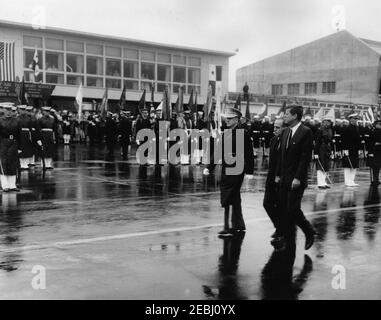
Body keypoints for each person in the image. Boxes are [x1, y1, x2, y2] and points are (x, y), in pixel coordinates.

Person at [204, 107, 254, 236]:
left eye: (230, 118)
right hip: (227, 169)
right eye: (227, 118)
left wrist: (249, 172)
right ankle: (238, 225)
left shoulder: (243, 133)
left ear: (237, 119)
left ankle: (229, 227)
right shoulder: (226, 133)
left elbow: (249, 154)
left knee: (228, 196)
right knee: (234, 197)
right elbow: (218, 152)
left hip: (236, 170)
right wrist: (209, 167)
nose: (227, 120)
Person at [275, 105, 316, 250]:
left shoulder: (306, 132)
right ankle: (287, 239)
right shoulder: (286, 131)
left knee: (293, 209)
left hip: (296, 179)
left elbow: (305, 157)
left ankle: (309, 231)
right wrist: (278, 174)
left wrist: (298, 178)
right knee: (283, 209)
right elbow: (282, 156)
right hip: (284, 178)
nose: (284, 116)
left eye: (286, 114)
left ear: (295, 116)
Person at [263, 117, 285, 246]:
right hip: (271, 176)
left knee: (280, 205)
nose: (274, 130)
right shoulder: (274, 140)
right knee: (267, 203)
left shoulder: (285, 141)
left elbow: (284, 162)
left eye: (278, 127)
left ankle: (282, 231)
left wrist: (279, 175)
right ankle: (279, 227)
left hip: (280, 177)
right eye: (274, 127)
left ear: (284, 128)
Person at [0, 105, 21, 192]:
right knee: (4, 164)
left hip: (14, 143)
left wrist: (19, 147)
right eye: (7, 109)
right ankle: (5, 186)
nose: (8, 111)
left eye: (10, 110)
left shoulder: (16, 121)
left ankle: (12, 185)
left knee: (13, 164)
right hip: (3, 143)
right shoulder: (0, 120)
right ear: (3, 110)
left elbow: (19, 135)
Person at [341, 113, 361, 186]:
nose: (356, 120)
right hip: (349, 149)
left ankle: (352, 181)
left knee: (354, 165)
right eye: (354, 119)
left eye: (356, 119)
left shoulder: (357, 128)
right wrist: (345, 149)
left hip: (355, 150)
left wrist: (359, 149)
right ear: (350, 119)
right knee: (348, 166)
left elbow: (358, 140)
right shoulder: (347, 128)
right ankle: (347, 181)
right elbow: (344, 140)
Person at [314, 116, 333, 189]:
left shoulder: (330, 130)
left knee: (326, 166)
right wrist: (315, 152)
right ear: (323, 122)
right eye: (326, 121)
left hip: (327, 148)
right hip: (321, 148)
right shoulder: (320, 129)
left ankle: (324, 182)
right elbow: (317, 142)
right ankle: (320, 183)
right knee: (320, 165)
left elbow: (330, 139)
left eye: (329, 121)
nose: (328, 123)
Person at [368, 119, 381, 186]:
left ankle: (377, 179)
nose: (380, 125)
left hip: (379, 151)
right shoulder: (372, 131)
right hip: (374, 150)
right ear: (376, 125)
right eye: (378, 124)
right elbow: (370, 142)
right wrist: (370, 152)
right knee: (375, 166)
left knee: (378, 166)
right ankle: (374, 179)